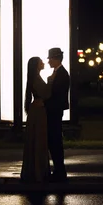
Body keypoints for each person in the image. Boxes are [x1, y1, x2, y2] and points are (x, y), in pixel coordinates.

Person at [20, 56, 51, 183]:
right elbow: (47, 94)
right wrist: (51, 81)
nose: (43, 63)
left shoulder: (34, 78)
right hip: (38, 113)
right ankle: (38, 173)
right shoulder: (37, 79)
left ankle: (35, 171)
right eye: (41, 62)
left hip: (36, 111)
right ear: (36, 65)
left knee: (36, 140)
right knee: (39, 140)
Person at [45, 47, 70, 182]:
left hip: (55, 111)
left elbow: (54, 93)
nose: (48, 61)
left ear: (55, 59)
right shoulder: (58, 73)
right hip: (55, 111)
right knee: (53, 141)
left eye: (50, 59)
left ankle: (60, 171)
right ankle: (59, 170)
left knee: (55, 141)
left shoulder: (61, 74)